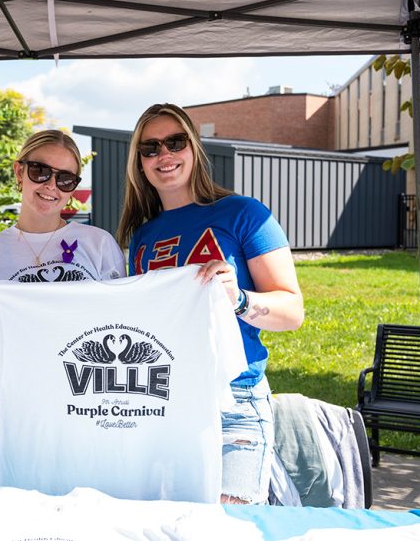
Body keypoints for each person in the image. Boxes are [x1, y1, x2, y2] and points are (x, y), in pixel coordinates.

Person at [117, 103, 304, 505]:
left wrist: (239, 299)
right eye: (150, 148)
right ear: (139, 163)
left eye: (175, 142)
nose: (164, 155)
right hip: (164, 404)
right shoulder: (142, 236)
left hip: (236, 402)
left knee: (228, 527)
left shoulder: (244, 214)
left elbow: (292, 312)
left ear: (194, 148)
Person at [0, 129, 126, 480]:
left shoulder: (99, 246)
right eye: (41, 171)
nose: (51, 186)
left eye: (66, 178)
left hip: (83, 424)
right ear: (19, 172)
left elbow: (122, 329)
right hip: (5, 425)